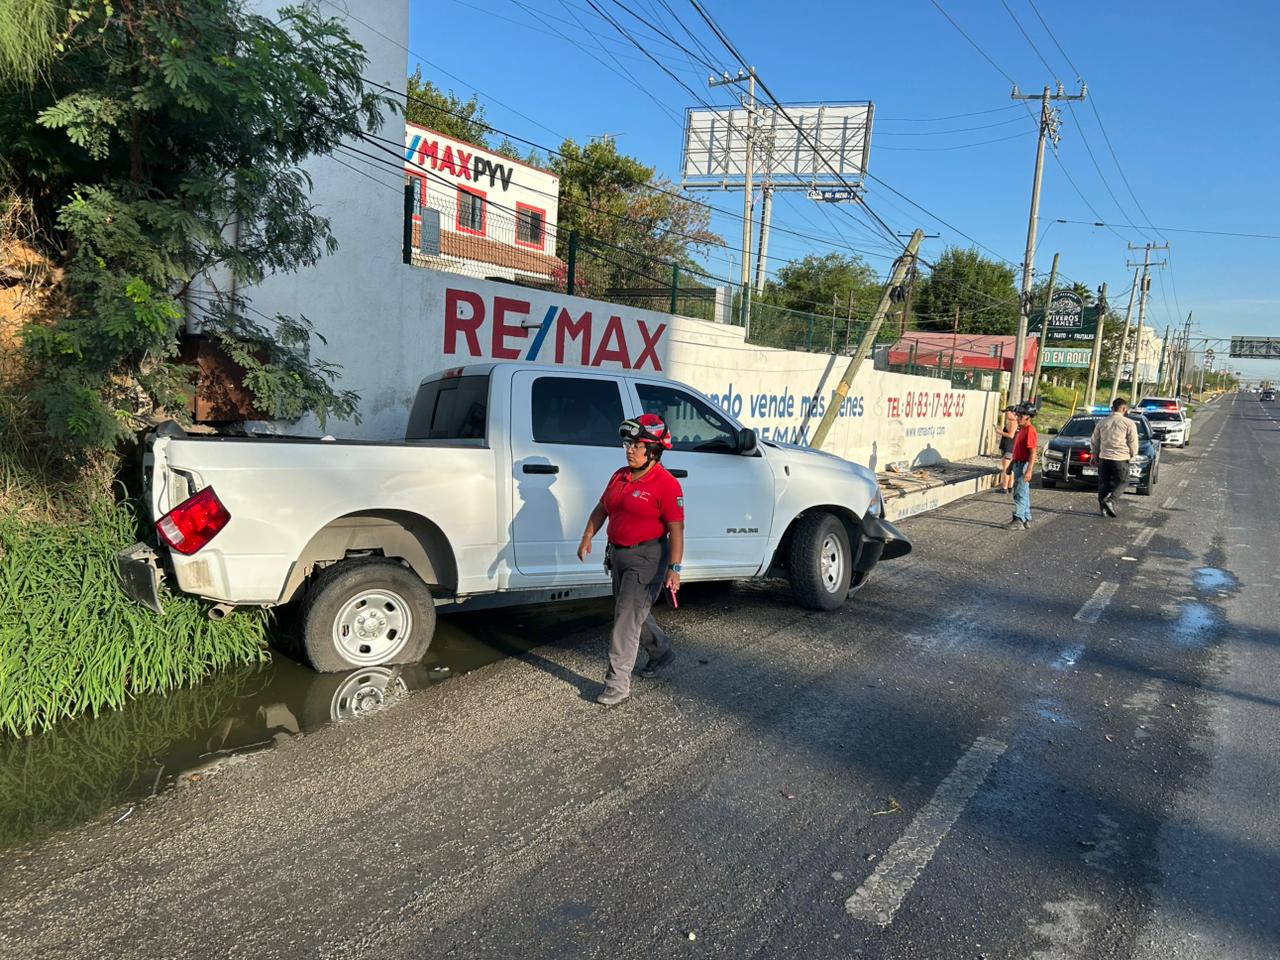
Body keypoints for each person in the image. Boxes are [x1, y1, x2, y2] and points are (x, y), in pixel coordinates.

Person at [577, 413, 686, 706]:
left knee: (625, 620)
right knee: (634, 614)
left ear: (654, 451)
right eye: (628, 443)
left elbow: (676, 529)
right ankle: (661, 651)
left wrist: (675, 568)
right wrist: (588, 536)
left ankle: (617, 685)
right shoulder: (620, 475)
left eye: (637, 445)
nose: (629, 449)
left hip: (648, 558)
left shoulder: (666, 484)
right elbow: (602, 508)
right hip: (619, 554)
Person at [1091, 397, 1139, 518]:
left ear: (1112, 408)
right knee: (1124, 481)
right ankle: (1110, 501)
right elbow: (1133, 442)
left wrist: (1094, 455)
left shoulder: (1102, 422)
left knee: (1103, 484)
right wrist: (1133, 455)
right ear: (1124, 409)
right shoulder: (1129, 423)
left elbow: (1095, 441)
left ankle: (1103, 509)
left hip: (1104, 457)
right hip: (1120, 458)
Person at [1005, 404, 1038, 530]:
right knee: (1024, 493)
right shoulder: (1021, 430)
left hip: (1024, 465)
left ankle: (1018, 519)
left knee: (1020, 493)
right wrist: (1011, 465)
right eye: (1017, 415)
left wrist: (1029, 470)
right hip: (1018, 463)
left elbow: (1032, 453)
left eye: (1021, 415)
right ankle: (1025, 518)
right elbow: (1017, 450)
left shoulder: (1030, 431)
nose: (1018, 418)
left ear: (1028, 417)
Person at [998, 405, 1018, 493]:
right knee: (1010, 468)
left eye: (1007, 412)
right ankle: (1010, 486)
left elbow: (1011, 435)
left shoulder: (1013, 422)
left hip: (1009, 448)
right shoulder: (1015, 422)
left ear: (1013, 413)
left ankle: (1004, 487)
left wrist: (999, 432)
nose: (1006, 414)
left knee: (1006, 468)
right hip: (1012, 448)